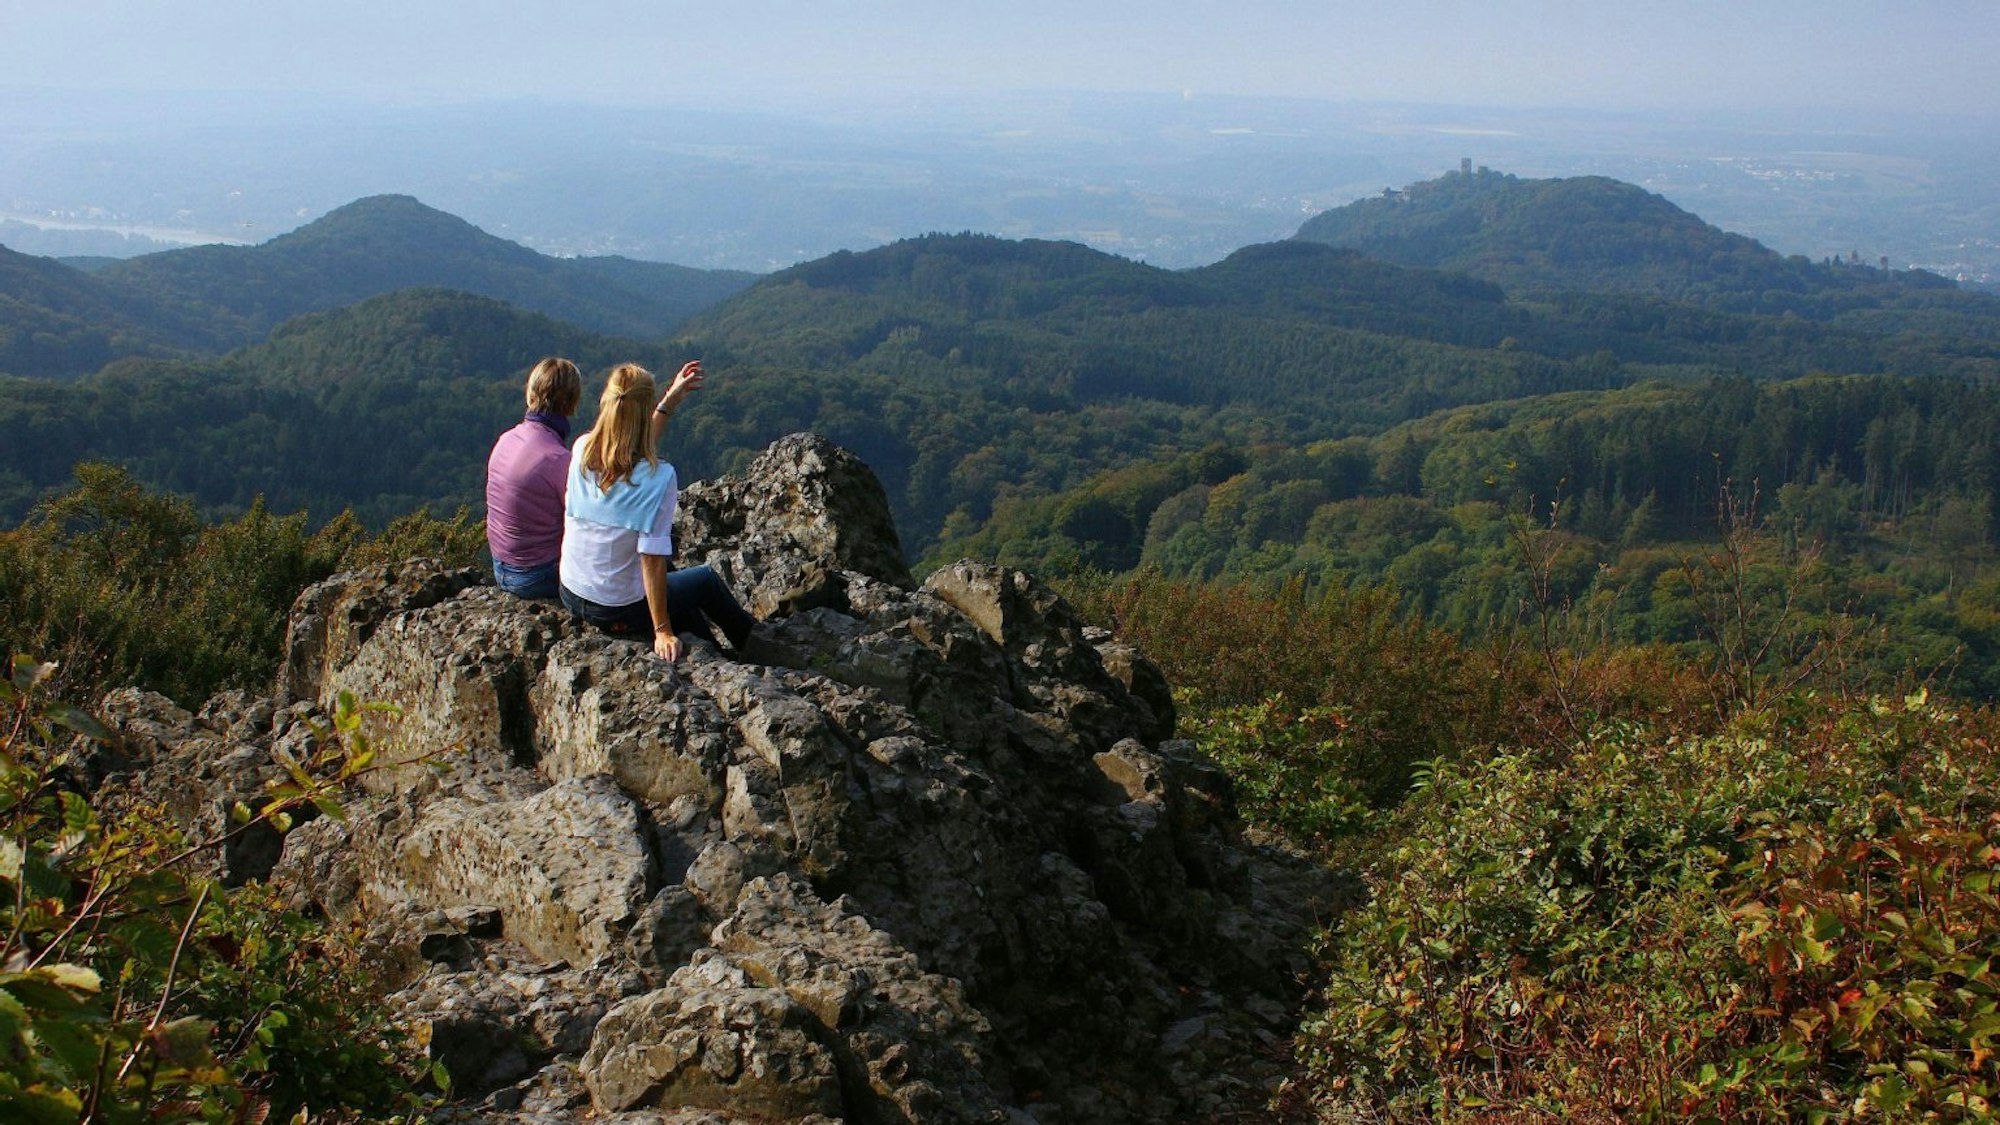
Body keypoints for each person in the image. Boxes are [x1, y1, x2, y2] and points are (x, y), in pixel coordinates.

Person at [559, 361, 757, 662]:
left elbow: (627, 444)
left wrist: (668, 403)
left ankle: (713, 652)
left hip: (571, 593)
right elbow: (651, 558)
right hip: (616, 609)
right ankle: (757, 645)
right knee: (705, 581)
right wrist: (661, 630)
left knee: (675, 578)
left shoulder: (582, 450)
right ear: (644, 411)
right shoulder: (659, 478)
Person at [485, 357, 581, 600]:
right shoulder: (558, 459)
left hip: (500, 566)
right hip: (536, 576)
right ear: (571, 402)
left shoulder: (505, 440)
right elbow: (583, 522)